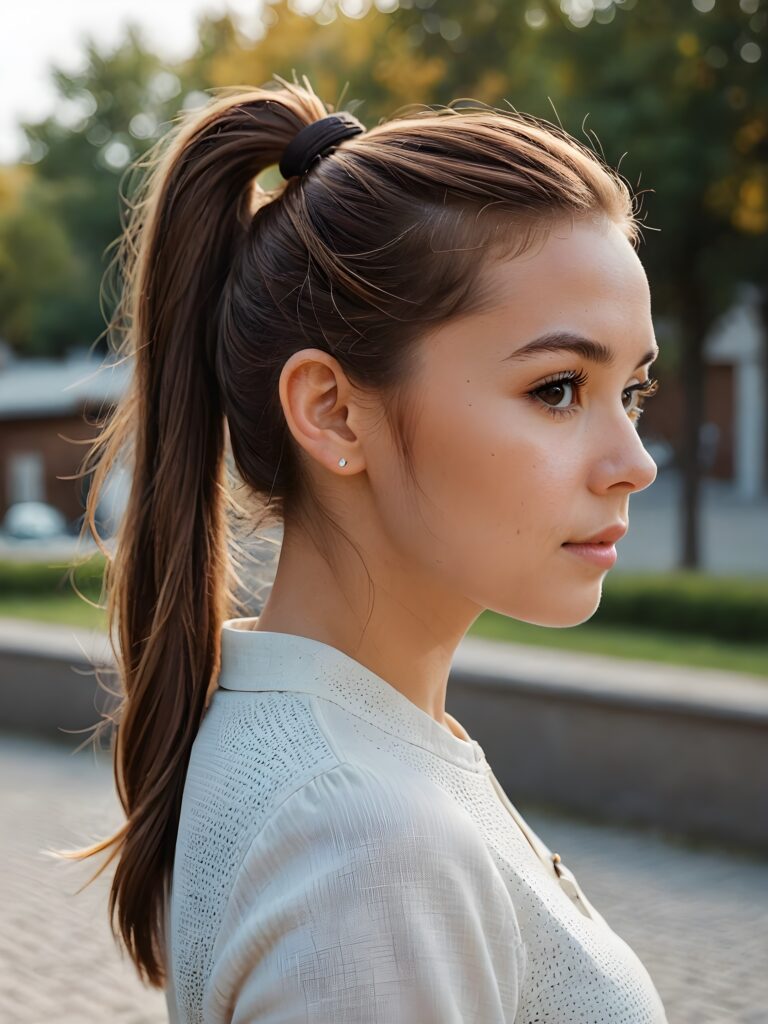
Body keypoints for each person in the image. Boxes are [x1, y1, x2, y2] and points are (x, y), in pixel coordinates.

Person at [59, 74, 667, 1022]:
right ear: (334, 411)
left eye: (632, 393)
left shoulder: (342, 755)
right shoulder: (363, 842)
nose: (635, 463)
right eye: (557, 389)